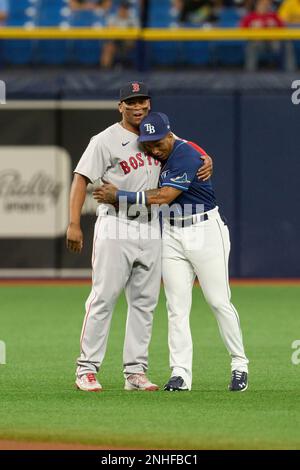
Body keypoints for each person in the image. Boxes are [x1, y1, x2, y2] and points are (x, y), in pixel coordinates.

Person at [66, 82, 212, 392]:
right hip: (116, 223)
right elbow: (81, 179)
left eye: (142, 100)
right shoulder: (104, 140)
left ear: (149, 103)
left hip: (152, 225)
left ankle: (135, 371)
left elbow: (189, 149)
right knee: (104, 297)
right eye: (130, 101)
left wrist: (206, 156)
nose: (137, 106)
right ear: (120, 106)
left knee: (145, 302)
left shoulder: (158, 134)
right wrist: (73, 223)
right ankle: (87, 368)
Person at [93, 111, 249, 392]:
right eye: (148, 143)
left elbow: (163, 197)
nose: (153, 148)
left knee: (218, 301)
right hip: (172, 233)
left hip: (204, 230)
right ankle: (180, 374)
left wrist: (119, 196)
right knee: (176, 307)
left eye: (158, 142)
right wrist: (206, 153)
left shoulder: (185, 155)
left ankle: (239, 365)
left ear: (170, 135)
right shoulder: (160, 150)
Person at [240, 0, 296, 72]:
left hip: (274, 42)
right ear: (257, 5)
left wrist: (275, 28)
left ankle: (290, 71)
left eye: (267, 5)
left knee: (287, 43)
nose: (264, 6)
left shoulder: (273, 16)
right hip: (257, 42)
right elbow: (241, 31)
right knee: (251, 45)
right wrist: (253, 30)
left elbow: (283, 29)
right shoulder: (250, 17)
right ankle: (250, 71)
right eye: (262, 4)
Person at [100, 1, 139, 69]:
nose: (124, 10)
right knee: (108, 47)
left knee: (130, 40)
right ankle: (105, 70)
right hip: (115, 41)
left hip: (128, 42)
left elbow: (136, 34)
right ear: (119, 9)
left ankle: (136, 71)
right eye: (122, 8)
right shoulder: (113, 18)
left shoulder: (133, 20)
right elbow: (109, 31)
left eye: (126, 8)